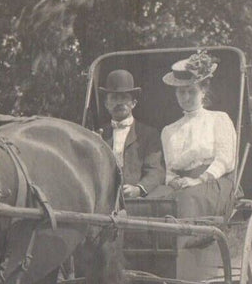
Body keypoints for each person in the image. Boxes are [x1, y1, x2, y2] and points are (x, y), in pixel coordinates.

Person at [148, 50, 238, 219]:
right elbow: (170, 169)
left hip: (213, 182)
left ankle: (181, 241)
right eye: (181, 92)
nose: (186, 97)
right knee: (150, 202)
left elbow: (225, 159)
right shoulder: (169, 131)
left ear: (203, 91)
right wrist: (174, 180)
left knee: (185, 200)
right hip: (181, 185)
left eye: (192, 91)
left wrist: (199, 180)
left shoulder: (219, 119)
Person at [98, 69, 165, 199]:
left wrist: (139, 189)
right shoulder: (98, 135)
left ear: (133, 103)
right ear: (106, 104)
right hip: (103, 198)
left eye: (124, 97)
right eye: (114, 98)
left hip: (136, 201)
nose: (119, 102)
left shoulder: (148, 134)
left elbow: (156, 170)